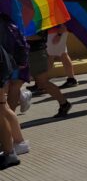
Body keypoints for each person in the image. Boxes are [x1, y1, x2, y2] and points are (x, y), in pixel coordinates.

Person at [0, 14, 30, 169]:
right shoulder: (7, 20)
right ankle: (17, 143)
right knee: (3, 107)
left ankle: (9, 150)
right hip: (7, 65)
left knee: (2, 107)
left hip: (5, 67)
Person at [26, 31, 71, 117]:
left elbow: (38, 35)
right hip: (29, 51)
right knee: (14, 84)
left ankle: (64, 103)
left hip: (36, 52)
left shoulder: (37, 20)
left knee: (42, 82)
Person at [46, 25, 78, 89]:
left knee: (51, 55)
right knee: (62, 54)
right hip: (55, 31)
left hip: (56, 32)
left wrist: (59, 34)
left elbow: (62, 19)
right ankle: (71, 79)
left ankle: (42, 82)